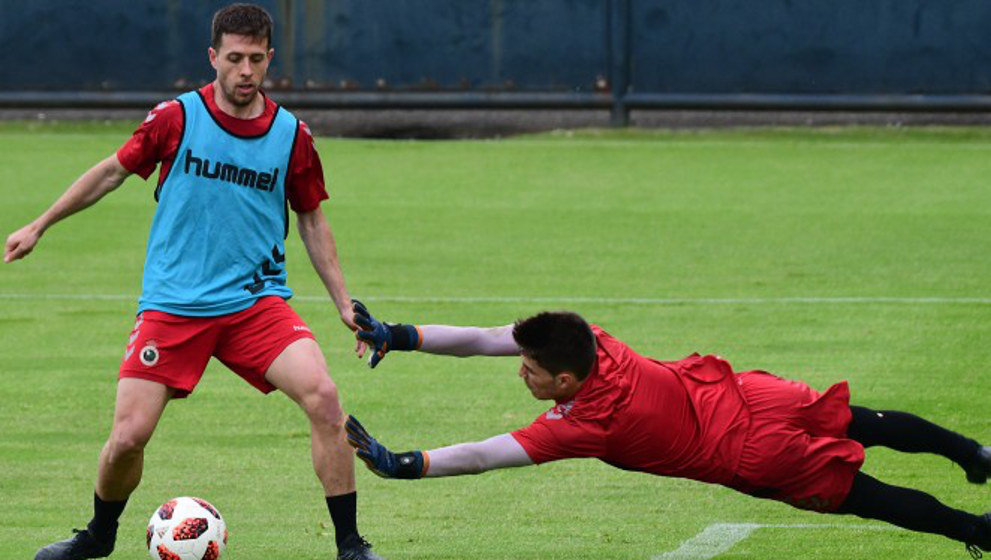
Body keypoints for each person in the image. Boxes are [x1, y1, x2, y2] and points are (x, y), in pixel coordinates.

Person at [5, 5, 382, 560]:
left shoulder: (291, 135)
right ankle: (97, 536)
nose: (245, 71)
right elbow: (112, 171)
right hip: (174, 305)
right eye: (234, 59)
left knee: (324, 397)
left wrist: (342, 302)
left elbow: (311, 218)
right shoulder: (175, 118)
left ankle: (351, 544)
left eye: (256, 59)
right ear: (213, 58)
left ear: (270, 58)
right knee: (129, 437)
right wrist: (40, 224)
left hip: (257, 303)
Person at [345, 302, 991, 558]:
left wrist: (408, 464)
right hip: (746, 393)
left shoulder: (584, 425)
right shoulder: (592, 339)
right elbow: (487, 337)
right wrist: (399, 337)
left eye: (532, 370)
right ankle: (975, 455)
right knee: (864, 421)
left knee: (869, 497)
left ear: (565, 382)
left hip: (752, 450)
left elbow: (486, 456)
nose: (521, 372)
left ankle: (976, 531)